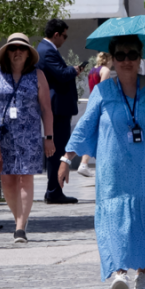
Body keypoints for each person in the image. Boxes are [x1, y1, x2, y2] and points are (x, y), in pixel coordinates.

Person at [59, 35, 145, 289]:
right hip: (114, 168)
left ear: (140, 58)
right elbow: (84, 126)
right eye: (121, 55)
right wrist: (65, 159)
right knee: (114, 218)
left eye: (132, 55)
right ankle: (119, 273)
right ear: (113, 59)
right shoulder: (103, 91)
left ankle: (142, 276)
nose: (127, 60)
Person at [0, 33, 55, 244]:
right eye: (13, 48)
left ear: (28, 53)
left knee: (25, 178)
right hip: (4, 135)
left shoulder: (38, 75)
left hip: (30, 135)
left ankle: (20, 227)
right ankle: (19, 218)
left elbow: (46, 108)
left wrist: (49, 137)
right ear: (7, 53)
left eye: (22, 48)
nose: (17, 52)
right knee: (7, 180)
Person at [37, 18, 84, 204]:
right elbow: (61, 74)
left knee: (56, 149)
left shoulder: (46, 49)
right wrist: (74, 70)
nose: (65, 39)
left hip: (57, 107)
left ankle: (54, 190)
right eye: (64, 36)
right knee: (57, 151)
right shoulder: (47, 51)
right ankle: (54, 191)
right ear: (56, 34)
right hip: (57, 108)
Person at [80, 52, 113, 178]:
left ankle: (84, 163)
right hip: (101, 105)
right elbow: (103, 90)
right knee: (103, 135)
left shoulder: (93, 70)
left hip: (91, 102)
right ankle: (97, 165)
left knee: (92, 134)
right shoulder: (105, 70)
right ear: (108, 59)